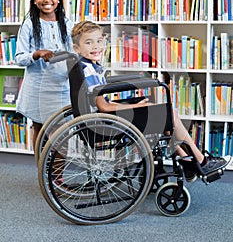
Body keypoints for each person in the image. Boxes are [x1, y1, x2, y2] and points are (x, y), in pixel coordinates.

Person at [71, 20, 230, 182]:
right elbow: (103, 106)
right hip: (104, 122)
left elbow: (102, 100)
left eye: (99, 41)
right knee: (168, 114)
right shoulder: (88, 70)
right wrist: (135, 106)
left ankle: (186, 159)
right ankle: (201, 161)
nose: (96, 46)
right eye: (88, 43)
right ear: (77, 48)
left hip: (102, 119)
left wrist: (135, 105)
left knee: (163, 117)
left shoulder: (89, 65)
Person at [15, 0, 74, 151]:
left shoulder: (68, 24)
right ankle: (41, 171)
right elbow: (19, 58)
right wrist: (37, 54)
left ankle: (57, 178)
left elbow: (75, 51)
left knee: (62, 131)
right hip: (38, 88)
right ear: (34, 0)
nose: (47, 0)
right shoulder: (28, 25)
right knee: (39, 129)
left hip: (61, 86)